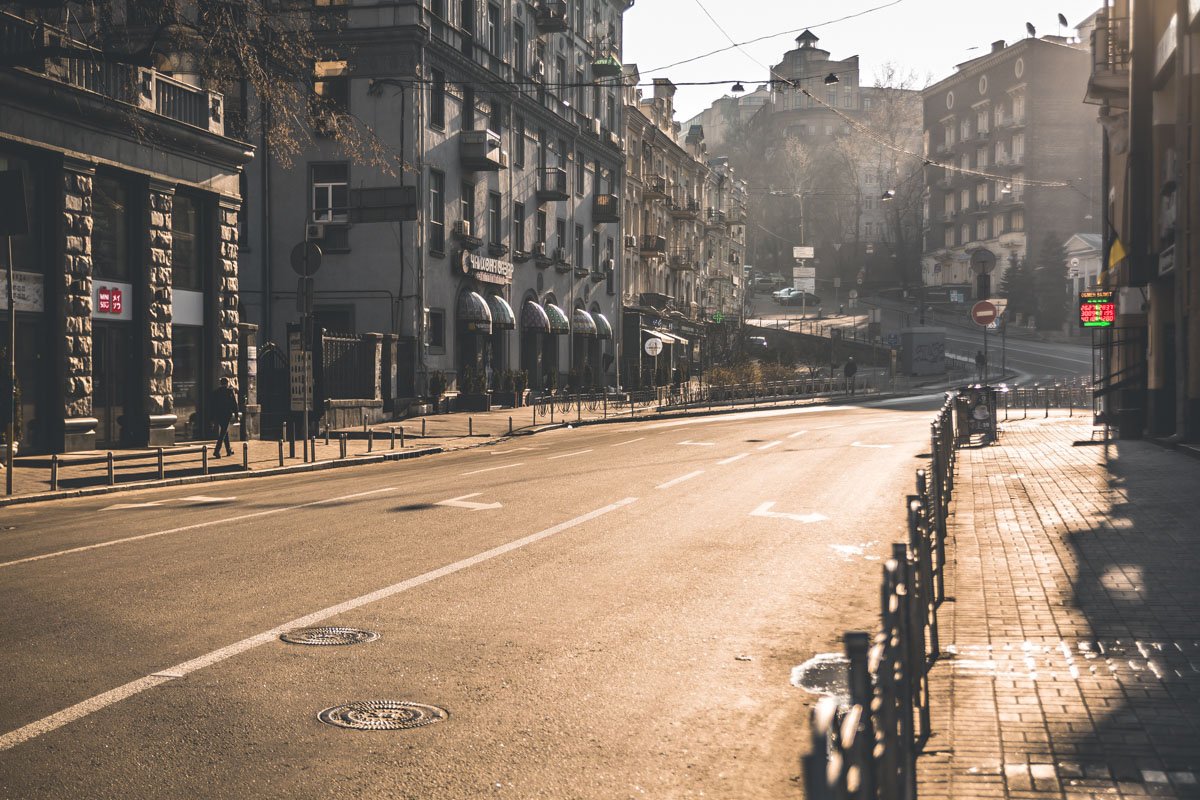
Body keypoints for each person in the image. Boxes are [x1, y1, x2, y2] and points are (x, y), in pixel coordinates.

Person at [210, 376, 237, 458]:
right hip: (226, 415)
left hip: (218, 415)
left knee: (225, 431)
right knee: (223, 433)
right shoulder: (230, 391)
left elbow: (212, 405)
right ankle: (216, 451)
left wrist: (213, 417)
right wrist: (236, 415)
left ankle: (228, 450)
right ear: (227, 383)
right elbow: (234, 404)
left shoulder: (216, 392)